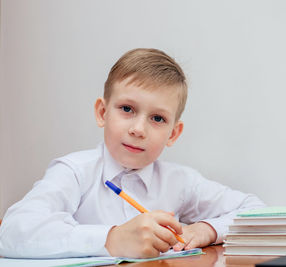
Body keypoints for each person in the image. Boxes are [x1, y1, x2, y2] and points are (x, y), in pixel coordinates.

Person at [0, 48, 265, 259]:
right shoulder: (74, 172)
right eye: (127, 109)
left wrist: (206, 229)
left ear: (173, 133)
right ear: (103, 113)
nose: (138, 129)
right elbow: (11, 232)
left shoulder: (181, 181)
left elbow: (256, 211)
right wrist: (112, 239)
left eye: (158, 118)